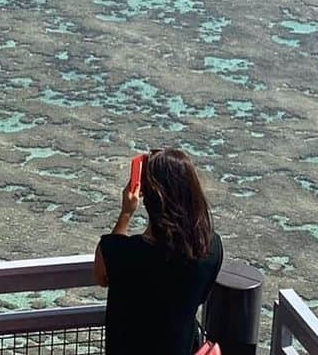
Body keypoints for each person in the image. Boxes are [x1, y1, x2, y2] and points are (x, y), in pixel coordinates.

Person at [94, 147, 224, 355]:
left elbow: (101, 275)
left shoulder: (124, 253)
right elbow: (200, 297)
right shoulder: (210, 248)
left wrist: (126, 212)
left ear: (148, 197)